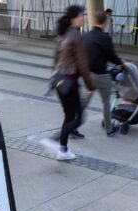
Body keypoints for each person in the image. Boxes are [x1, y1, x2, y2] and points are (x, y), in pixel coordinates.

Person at [53, 5, 94, 161]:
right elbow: (83, 65)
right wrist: (90, 86)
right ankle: (57, 141)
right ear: (73, 18)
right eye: (80, 15)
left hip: (60, 82)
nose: (83, 18)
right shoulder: (75, 35)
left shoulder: (63, 34)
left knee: (69, 116)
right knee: (78, 118)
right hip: (70, 83)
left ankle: (63, 149)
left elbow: (56, 58)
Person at [83, 11, 123, 137]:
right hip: (102, 76)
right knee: (106, 103)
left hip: (88, 76)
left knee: (84, 103)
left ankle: (72, 125)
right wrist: (121, 63)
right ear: (105, 22)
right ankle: (109, 129)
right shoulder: (105, 38)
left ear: (94, 21)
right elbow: (112, 56)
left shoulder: (86, 36)